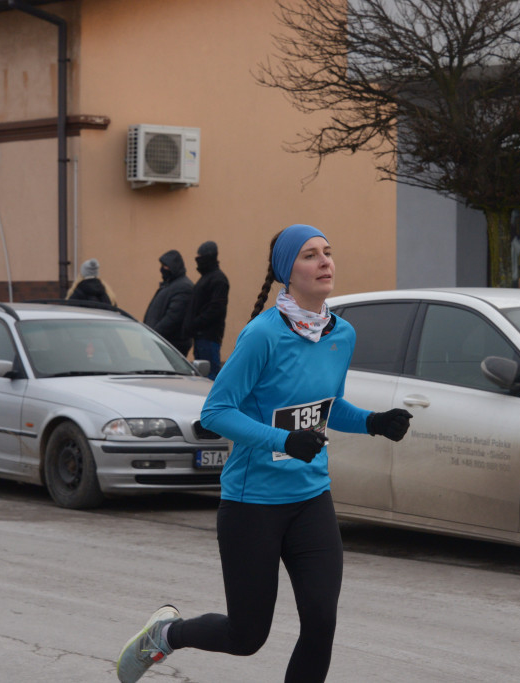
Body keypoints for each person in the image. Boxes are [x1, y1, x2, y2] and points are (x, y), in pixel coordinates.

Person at [116, 224, 413, 683]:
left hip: (312, 498)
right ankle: (167, 634)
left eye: (328, 252)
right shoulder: (263, 335)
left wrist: (373, 422)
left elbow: (328, 408)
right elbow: (215, 412)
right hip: (252, 505)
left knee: (321, 622)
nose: (325, 262)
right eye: (311, 255)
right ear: (286, 272)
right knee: (246, 636)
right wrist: (283, 441)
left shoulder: (341, 334)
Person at [182, 240, 229, 378]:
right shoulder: (207, 279)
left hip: (208, 337)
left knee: (209, 377)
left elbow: (215, 309)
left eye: (200, 257)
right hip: (201, 337)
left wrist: (195, 323)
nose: (197, 261)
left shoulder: (218, 279)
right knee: (204, 376)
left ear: (208, 257)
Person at [143, 250, 193, 355]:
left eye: (165, 266)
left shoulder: (183, 287)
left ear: (174, 267)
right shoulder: (169, 285)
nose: (162, 269)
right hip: (161, 342)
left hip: (171, 344)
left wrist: (154, 334)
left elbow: (173, 318)